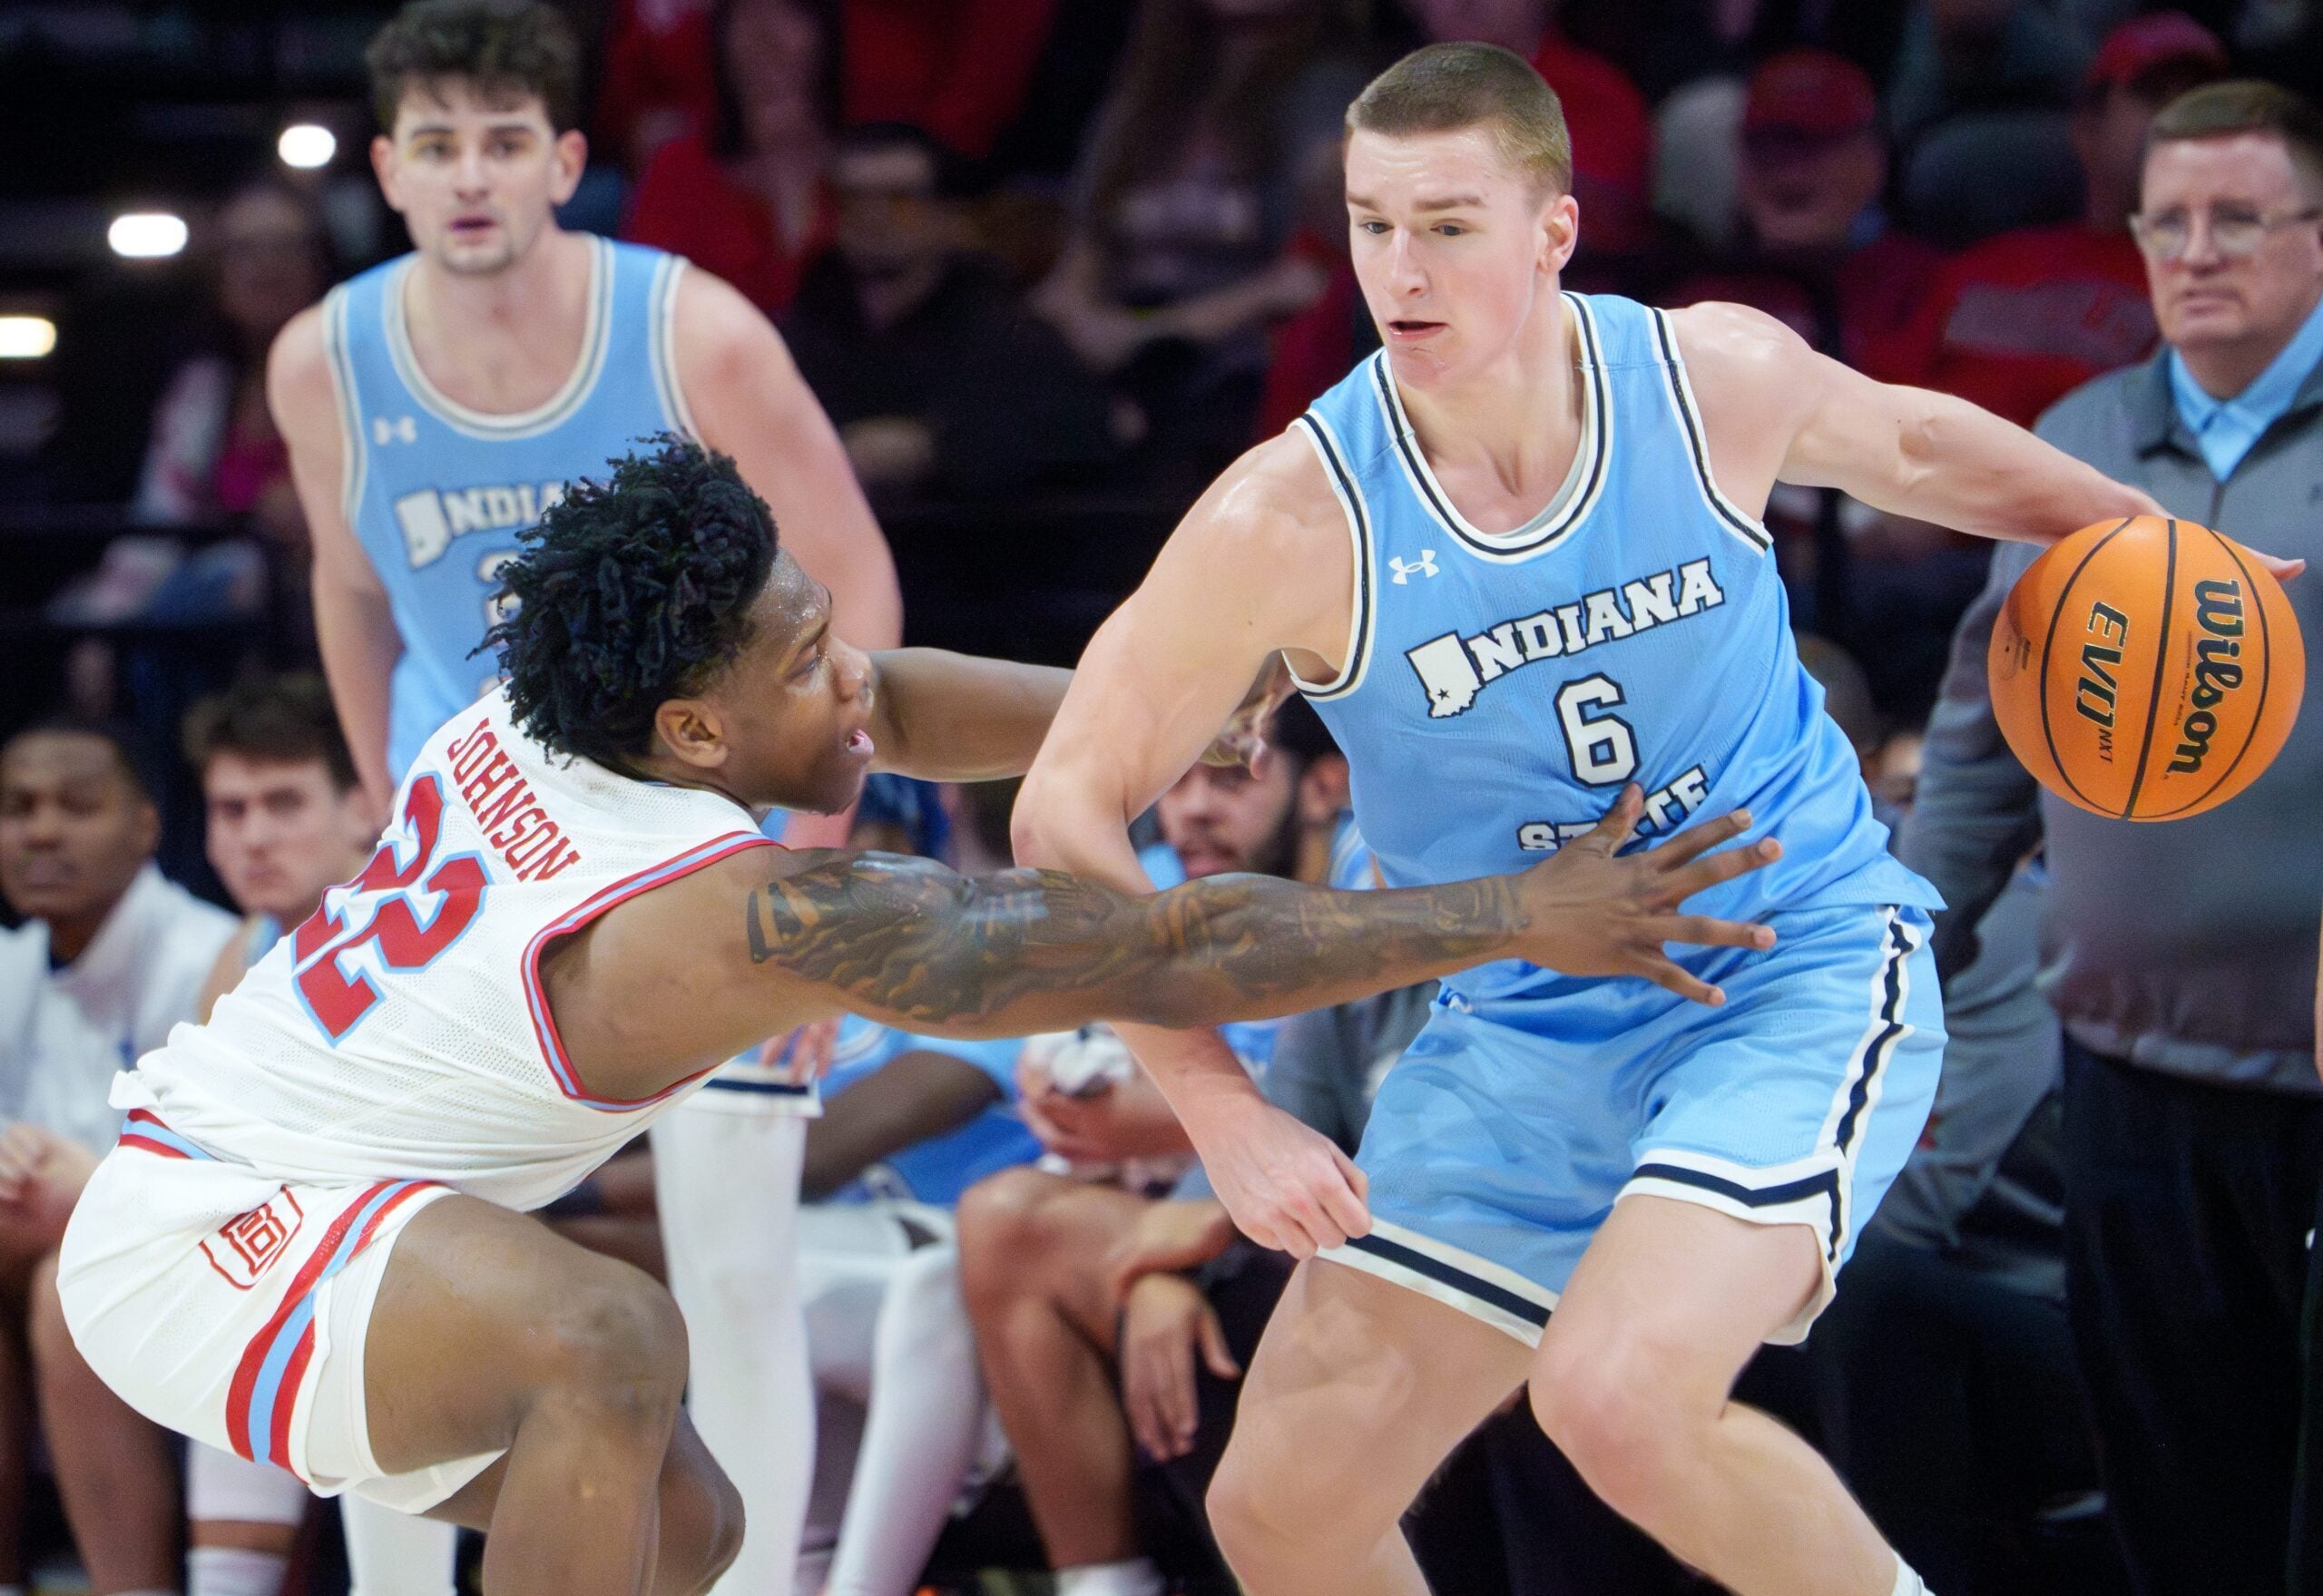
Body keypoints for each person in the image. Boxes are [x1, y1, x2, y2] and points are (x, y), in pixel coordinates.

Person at [54, 435, 1779, 1596]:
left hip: (269, 1201)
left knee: (689, 1527)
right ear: (697, 734)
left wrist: (1158, 717)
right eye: (801, 661)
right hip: (218, 1234)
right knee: (608, 1341)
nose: (847, 672)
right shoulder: (721, 915)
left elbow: (893, 699)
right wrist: (1515, 913)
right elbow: (1169, 953)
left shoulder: (556, 707)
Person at [1010, 42, 2179, 1596]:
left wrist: (2145, 532)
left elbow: (1910, 444)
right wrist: (1219, 1105)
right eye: (1371, 224)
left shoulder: (1704, 381)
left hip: (1788, 963)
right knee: (1280, 1507)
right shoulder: (1290, 516)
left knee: (1615, 1397)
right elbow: (1063, 808)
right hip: (1522, 1028)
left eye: (1447, 225)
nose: (1400, 271)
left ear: (1554, 227)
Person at [269, 6, 903, 1589]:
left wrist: (816, 867)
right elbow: (347, 586)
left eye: (502, 142)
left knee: (733, 1262)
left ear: (564, 161)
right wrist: (382, 798)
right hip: (474, 864)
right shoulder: (322, 359)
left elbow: (855, 577)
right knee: (382, 1260)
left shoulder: (695, 331)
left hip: (690, 838)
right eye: (437, 145)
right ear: (387, 170)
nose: (470, 177)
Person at [1905, 79, 2323, 1596]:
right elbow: (1976, 744)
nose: (2197, 251)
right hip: (2128, 1076)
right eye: (2169, 220)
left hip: (2312, 1081)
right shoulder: (2076, 439)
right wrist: (1900, 943)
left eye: (2240, 219)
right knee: (2175, 1514)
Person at [946, 704, 1367, 1596]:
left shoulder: (1377, 885)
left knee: (1001, 1233)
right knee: (988, 1234)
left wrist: (1185, 1192)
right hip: (1236, 1216)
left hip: (1362, 1236)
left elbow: (1354, 1115)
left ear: (1324, 784)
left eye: (1231, 776)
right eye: (1176, 782)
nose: (1194, 808)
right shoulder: (1162, 894)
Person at [0, 720, 240, 1596]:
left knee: (73, 1279)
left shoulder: (214, 954)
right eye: (18, 806)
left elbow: (232, 1182)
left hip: (217, 1257)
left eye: (76, 805)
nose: (41, 831)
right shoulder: (10, 963)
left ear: (145, 825)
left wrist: (89, 1184)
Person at [1032, 0, 1373, 486]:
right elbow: (1082, 255)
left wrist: (1145, 334)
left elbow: (1305, 279)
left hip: (1238, 364)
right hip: (1122, 346)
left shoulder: (1330, 87)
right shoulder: (1150, 88)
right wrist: (1077, 323)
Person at [1894, 13, 2226, 430]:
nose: (2181, 121)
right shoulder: (1983, 266)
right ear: (2088, 127)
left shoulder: (2228, 288)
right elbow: (1884, 396)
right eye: (2153, 96)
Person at [779, 122, 1118, 501]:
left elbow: (1085, 428)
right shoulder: (797, 333)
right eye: (852, 199)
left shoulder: (1000, 329)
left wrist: (932, 448)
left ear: (943, 213)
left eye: (899, 201)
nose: (872, 217)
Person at [623, 0, 843, 318]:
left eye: (789, 13)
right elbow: (642, 306)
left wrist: (790, 183)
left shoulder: (871, 170)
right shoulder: (677, 169)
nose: (765, 36)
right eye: (746, 13)